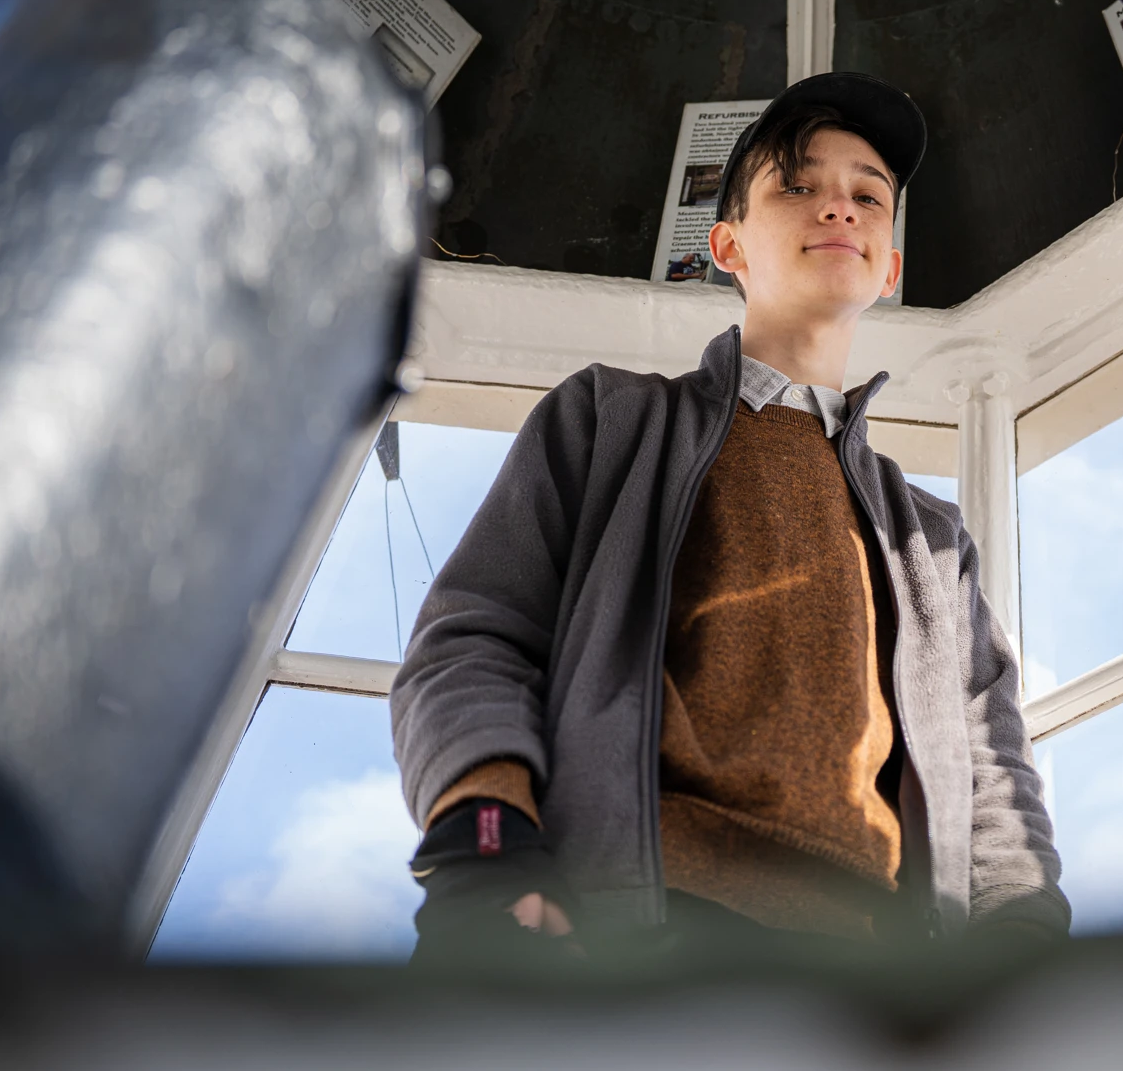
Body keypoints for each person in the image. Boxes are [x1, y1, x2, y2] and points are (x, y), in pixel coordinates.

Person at [390, 72, 1067, 963]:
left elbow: (992, 773)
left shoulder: (934, 543)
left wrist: (1024, 961)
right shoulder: (608, 421)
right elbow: (477, 637)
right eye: (797, 185)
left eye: (868, 194)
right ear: (727, 244)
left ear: (891, 266)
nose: (839, 208)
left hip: (876, 986)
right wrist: (484, 841)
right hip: (621, 935)